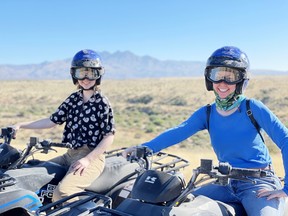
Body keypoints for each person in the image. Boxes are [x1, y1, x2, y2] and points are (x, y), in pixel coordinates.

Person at [123, 46, 287, 215]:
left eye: (231, 77)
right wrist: (145, 148)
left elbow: (286, 140)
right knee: (177, 205)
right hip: (224, 183)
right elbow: (178, 131)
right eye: (217, 76)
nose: (222, 84)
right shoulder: (207, 113)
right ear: (209, 79)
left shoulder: (252, 108)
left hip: (258, 183)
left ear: (242, 80)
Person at [12, 49, 116, 202]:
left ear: (98, 75)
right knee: (30, 174)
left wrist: (87, 160)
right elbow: (52, 121)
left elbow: (109, 136)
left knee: (63, 193)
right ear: (74, 75)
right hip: (70, 154)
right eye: (81, 73)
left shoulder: (102, 102)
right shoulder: (74, 98)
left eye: (91, 73)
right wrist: (20, 125)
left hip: (92, 156)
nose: (85, 79)